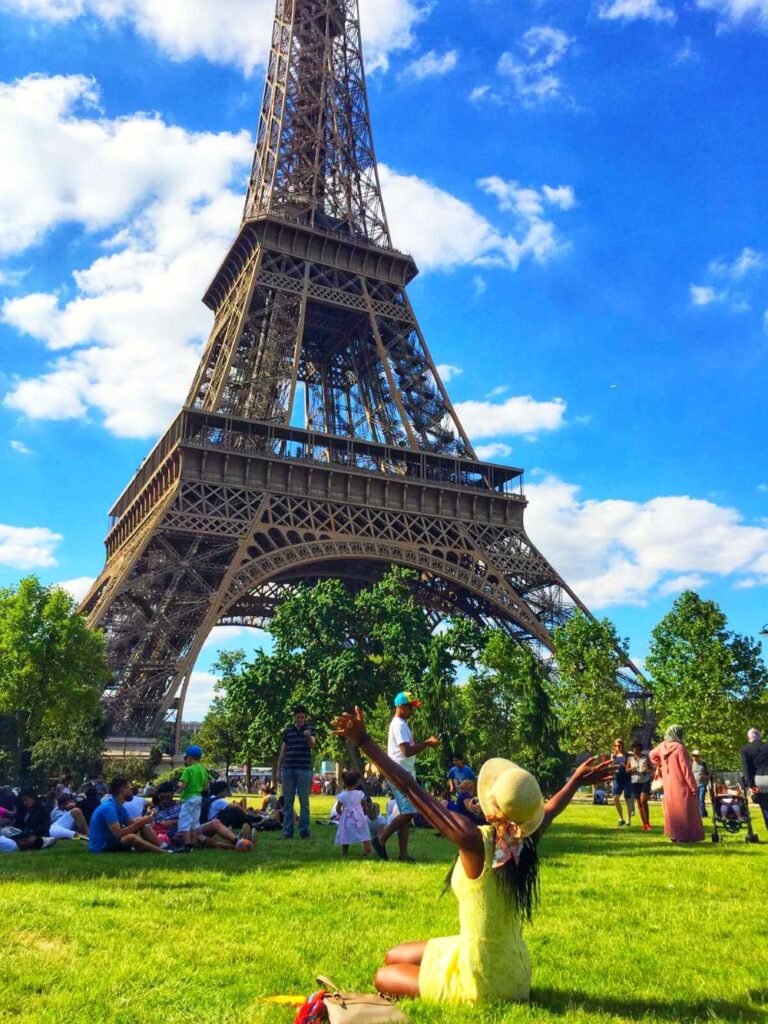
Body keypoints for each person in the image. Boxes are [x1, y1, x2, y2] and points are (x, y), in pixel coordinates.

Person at [333, 705, 616, 1005]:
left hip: (481, 979)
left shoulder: (474, 841)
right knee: (395, 955)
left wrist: (364, 742)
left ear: (492, 808)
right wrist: (576, 781)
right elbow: (550, 810)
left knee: (383, 975)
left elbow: (410, 787)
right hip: (516, 970)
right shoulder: (525, 839)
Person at [372, 691, 439, 863]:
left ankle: (403, 854)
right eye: (410, 707)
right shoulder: (399, 725)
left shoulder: (402, 724)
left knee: (406, 813)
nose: (413, 711)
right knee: (409, 812)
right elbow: (406, 751)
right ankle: (381, 839)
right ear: (400, 707)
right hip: (398, 773)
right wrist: (427, 743)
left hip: (403, 772)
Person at [649, 726, 704, 844]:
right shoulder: (679, 748)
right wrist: (693, 786)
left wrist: (661, 765)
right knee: (685, 811)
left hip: (669, 783)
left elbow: (651, 755)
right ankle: (686, 836)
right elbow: (686, 769)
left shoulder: (662, 746)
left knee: (672, 810)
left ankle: (674, 834)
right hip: (681, 783)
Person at [89, 777, 170, 854]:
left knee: (141, 824)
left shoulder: (119, 806)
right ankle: (164, 852)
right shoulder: (109, 808)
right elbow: (119, 833)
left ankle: (164, 846)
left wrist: (142, 820)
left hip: (112, 841)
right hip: (102, 846)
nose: (132, 791)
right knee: (131, 837)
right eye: (129, 788)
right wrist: (141, 822)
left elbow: (131, 823)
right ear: (122, 790)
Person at [277, 704, 316, 840]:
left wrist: (308, 737)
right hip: (288, 768)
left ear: (305, 717)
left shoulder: (310, 729)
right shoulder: (288, 731)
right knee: (288, 802)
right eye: (298, 717)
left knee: (304, 802)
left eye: (302, 717)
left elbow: (312, 744)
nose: (300, 719)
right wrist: (279, 768)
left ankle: (304, 831)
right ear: (294, 717)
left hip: (304, 769)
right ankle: (287, 831)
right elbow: (283, 750)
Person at [334, 770, 373, 857]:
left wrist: (342, 814)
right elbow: (364, 806)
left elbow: (337, 808)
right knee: (364, 832)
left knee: (345, 833)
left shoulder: (342, 795)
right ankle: (367, 850)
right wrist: (365, 812)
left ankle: (345, 852)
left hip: (347, 817)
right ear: (356, 782)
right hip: (359, 817)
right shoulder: (360, 794)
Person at [177, 745, 208, 848]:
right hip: (198, 798)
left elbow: (183, 785)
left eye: (185, 758)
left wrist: (178, 786)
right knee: (195, 821)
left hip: (189, 798)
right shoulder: (203, 770)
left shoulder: (188, 770)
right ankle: (194, 842)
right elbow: (205, 787)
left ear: (189, 757)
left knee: (185, 820)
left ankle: (187, 844)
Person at [740, 727, 768, 832]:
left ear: (749, 737)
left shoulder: (745, 749)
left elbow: (746, 769)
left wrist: (751, 785)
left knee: (765, 807)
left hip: (760, 780)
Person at [627, 743, 652, 831]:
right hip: (635, 782)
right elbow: (627, 770)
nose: (635, 750)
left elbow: (651, 768)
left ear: (640, 749)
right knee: (638, 803)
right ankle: (644, 824)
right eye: (633, 749)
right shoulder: (630, 758)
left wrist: (647, 770)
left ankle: (648, 823)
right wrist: (631, 769)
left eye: (636, 748)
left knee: (643, 800)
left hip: (645, 780)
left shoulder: (645, 757)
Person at [611, 739, 633, 827]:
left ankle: (629, 820)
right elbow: (611, 766)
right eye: (616, 746)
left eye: (619, 745)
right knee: (615, 798)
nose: (618, 747)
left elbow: (632, 767)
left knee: (628, 800)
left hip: (627, 779)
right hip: (617, 779)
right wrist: (612, 764)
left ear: (622, 745)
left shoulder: (628, 755)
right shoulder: (614, 756)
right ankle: (621, 818)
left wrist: (625, 766)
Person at [690, 750, 710, 818]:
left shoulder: (703, 764)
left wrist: (705, 776)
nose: (695, 757)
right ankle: (703, 813)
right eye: (694, 756)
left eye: (696, 756)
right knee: (697, 801)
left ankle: (702, 815)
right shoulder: (690, 764)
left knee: (701, 800)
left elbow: (709, 774)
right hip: (694, 785)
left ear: (699, 756)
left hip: (702, 784)